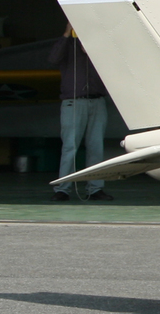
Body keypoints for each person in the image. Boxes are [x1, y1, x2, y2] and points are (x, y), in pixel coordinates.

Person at [48, 24, 113, 202]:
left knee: (96, 147)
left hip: (97, 100)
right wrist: (67, 33)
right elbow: (53, 58)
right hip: (74, 101)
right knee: (70, 146)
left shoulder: (100, 45)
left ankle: (95, 188)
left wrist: (93, 49)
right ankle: (63, 188)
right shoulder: (68, 45)